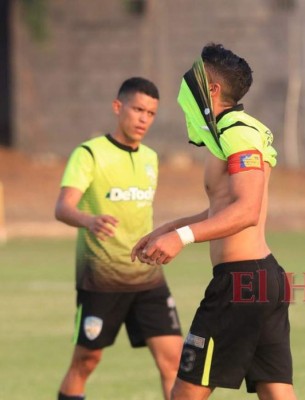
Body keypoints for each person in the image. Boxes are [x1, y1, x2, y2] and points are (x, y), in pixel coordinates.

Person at [131, 43, 297, 400]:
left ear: (213, 89)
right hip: (259, 279)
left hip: (240, 283)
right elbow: (225, 207)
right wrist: (168, 229)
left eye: (196, 75)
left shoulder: (237, 131)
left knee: (185, 394)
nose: (186, 80)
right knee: (276, 393)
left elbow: (247, 210)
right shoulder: (230, 131)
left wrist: (183, 238)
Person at [55, 77, 183, 400]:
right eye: (138, 109)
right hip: (102, 279)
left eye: (151, 113)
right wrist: (90, 220)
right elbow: (63, 208)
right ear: (118, 107)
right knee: (86, 361)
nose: (144, 119)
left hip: (148, 278)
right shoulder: (89, 154)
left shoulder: (151, 158)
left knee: (175, 362)